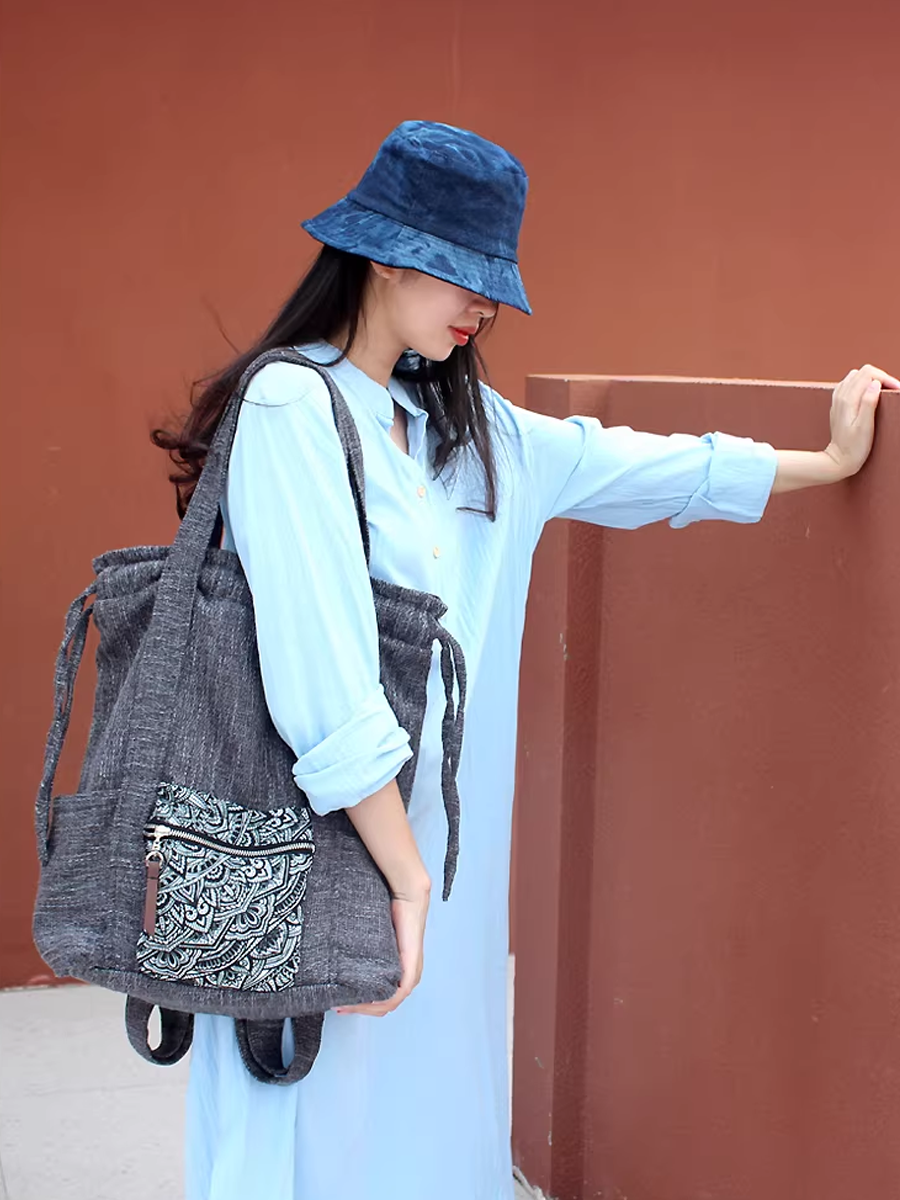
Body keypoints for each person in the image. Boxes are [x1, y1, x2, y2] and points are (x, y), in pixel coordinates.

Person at [154, 120, 900, 1200]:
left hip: (443, 865)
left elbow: (648, 467)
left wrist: (828, 460)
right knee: (310, 1117)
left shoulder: (475, 433)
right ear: (384, 256)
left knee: (428, 1116)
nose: (484, 308)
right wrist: (405, 876)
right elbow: (318, 673)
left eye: (494, 287)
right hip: (312, 845)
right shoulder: (291, 406)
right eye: (464, 276)